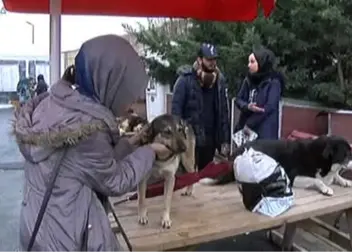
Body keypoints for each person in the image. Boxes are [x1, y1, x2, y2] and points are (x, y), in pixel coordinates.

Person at [14, 35, 171, 252]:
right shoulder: (88, 131)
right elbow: (115, 180)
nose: (131, 102)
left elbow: (90, 164)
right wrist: (150, 152)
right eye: (126, 90)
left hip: (39, 229)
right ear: (107, 82)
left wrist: (130, 143)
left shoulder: (54, 106)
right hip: (66, 240)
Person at [171, 43, 230, 170]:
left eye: (214, 59)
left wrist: (225, 141)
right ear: (199, 59)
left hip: (211, 140)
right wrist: (179, 138)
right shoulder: (185, 80)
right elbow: (176, 112)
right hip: (191, 140)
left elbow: (223, 113)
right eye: (209, 59)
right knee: (188, 177)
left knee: (205, 179)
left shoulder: (220, 81)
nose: (212, 63)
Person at [234, 47, 284, 140]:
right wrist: (247, 106)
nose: (249, 65)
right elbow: (239, 99)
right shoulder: (249, 80)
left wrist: (250, 123)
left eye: (252, 62)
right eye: (249, 62)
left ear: (262, 62)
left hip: (264, 135)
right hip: (247, 133)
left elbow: (269, 108)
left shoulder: (274, 82)